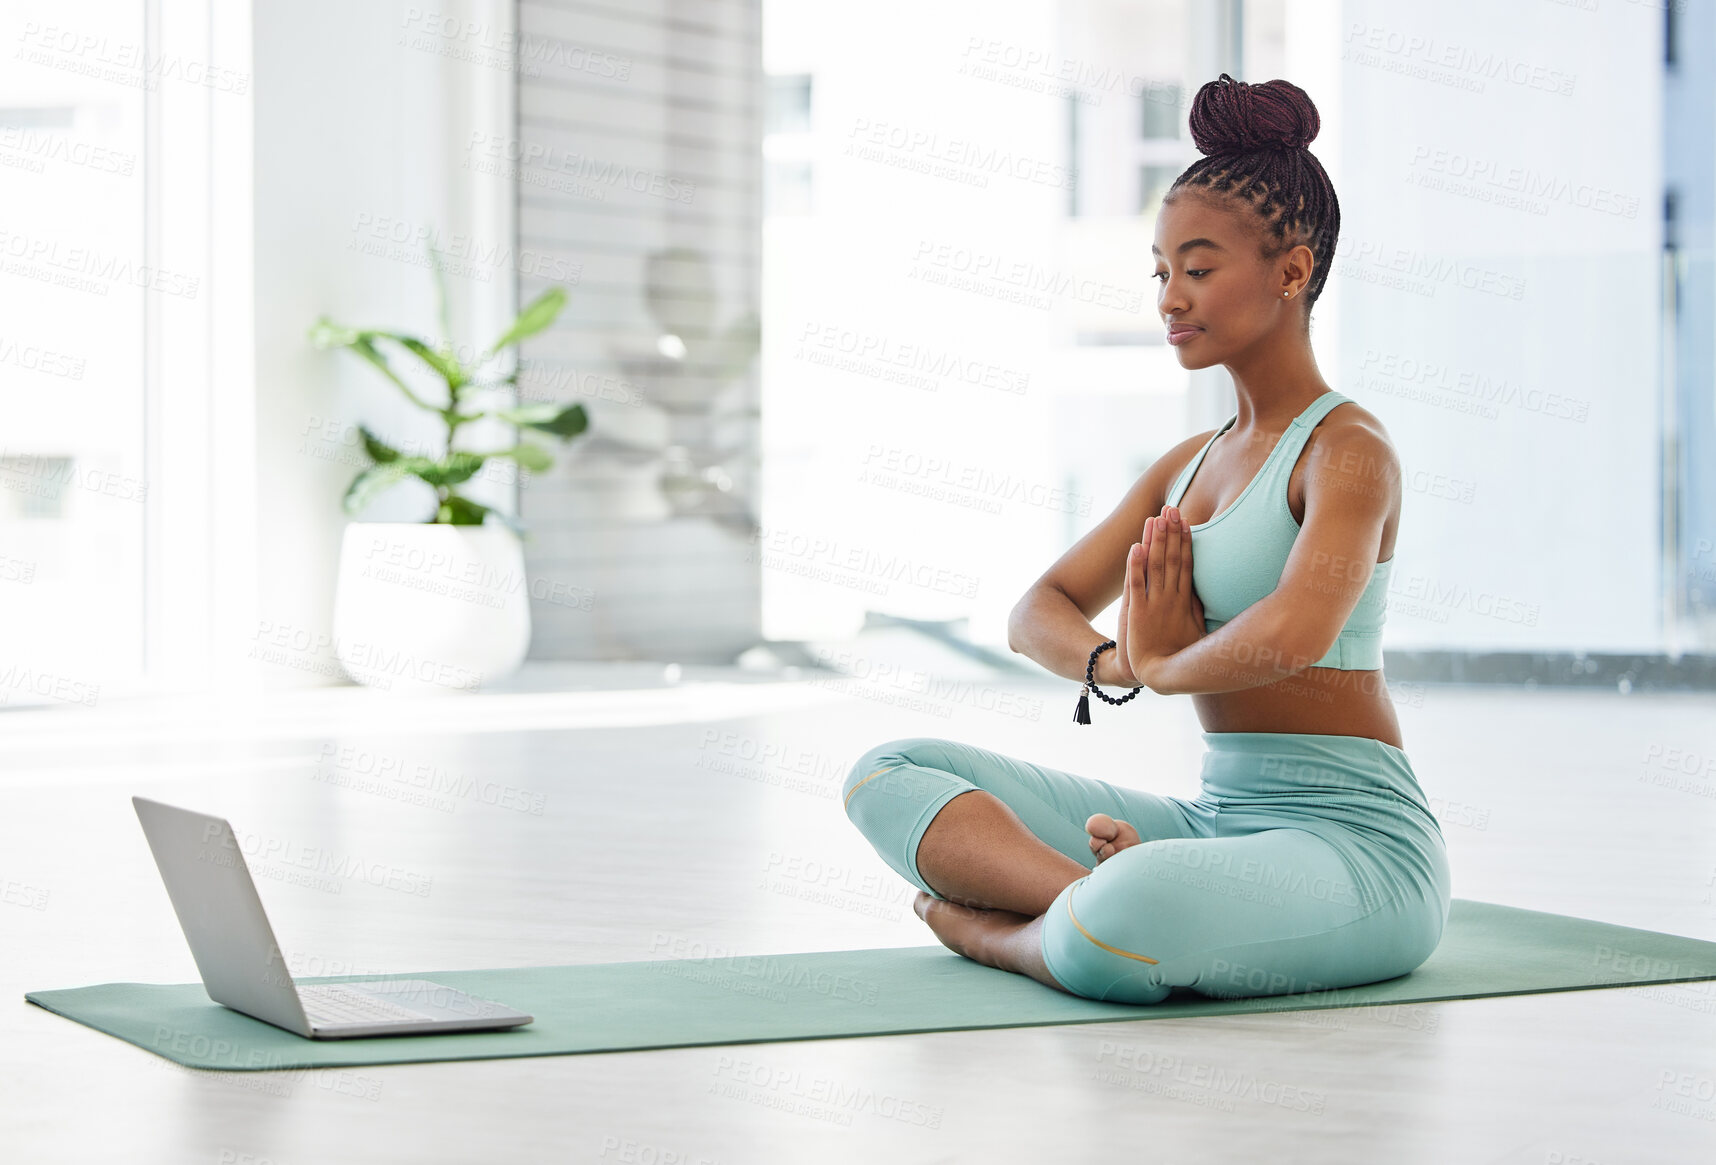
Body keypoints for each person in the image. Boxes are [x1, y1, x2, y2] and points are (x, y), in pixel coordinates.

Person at [840, 73, 1450, 1005]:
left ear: (1293, 270)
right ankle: (1080, 905)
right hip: (1216, 825)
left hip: (1355, 848)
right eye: (1161, 272)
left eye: (1199, 269)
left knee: (1135, 909)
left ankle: (1017, 933)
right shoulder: (1185, 465)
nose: (1170, 297)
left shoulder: (1349, 451)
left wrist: (1162, 663)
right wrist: (1119, 663)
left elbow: (1295, 630)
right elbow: (1033, 611)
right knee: (886, 771)